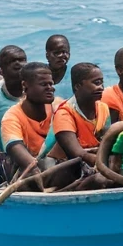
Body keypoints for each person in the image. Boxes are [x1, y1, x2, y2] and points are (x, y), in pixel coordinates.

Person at [0, 61, 56, 191]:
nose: (50, 88)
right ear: (25, 87)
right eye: (43, 84)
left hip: (44, 161)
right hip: (19, 167)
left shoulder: (56, 108)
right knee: (41, 166)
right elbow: (22, 156)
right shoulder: (11, 117)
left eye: (51, 84)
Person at [40, 62, 113, 191]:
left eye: (102, 83)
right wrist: (103, 163)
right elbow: (76, 153)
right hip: (59, 167)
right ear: (78, 86)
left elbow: (106, 142)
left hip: (86, 164)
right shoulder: (64, 113)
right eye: (96, 83)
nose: (101, 87)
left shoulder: (103, 108)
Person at [45, 34, 72, 101]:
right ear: (47, 56)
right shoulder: (38, 75)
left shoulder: (74, 75)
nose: (62, 56)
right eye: (57, 53)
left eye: (65, 52)